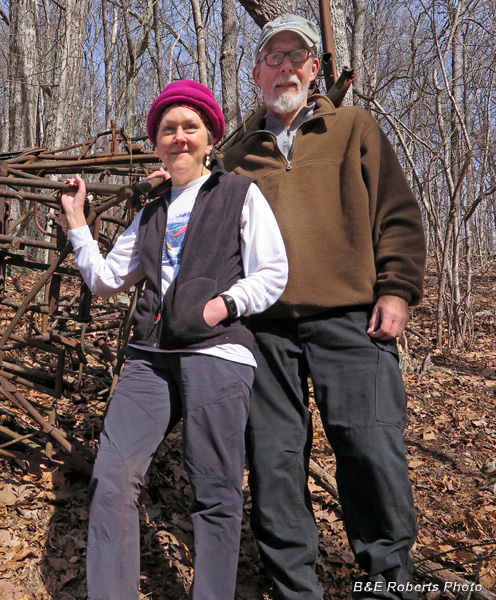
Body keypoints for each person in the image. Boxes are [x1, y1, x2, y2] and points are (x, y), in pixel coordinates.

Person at [221, 14, 426, 600]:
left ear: (315, 69)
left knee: (370, 450)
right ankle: (293, 590)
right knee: (274, 462)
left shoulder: (352, 128)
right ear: (258, 72)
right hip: (264, 330)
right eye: (273, 58)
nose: (285, 67)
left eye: (296, 57)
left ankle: (390, 584)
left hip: (351, 316)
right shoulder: (238, 155)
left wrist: (396, 289)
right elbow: (204, 225)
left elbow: (398, 214)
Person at [61, 80, 288, 600]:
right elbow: (104, 278)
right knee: (112, 479)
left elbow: (273, 271)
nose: (179, 138)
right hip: (151, 358)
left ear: (211, 138)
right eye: (168, 129)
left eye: (191, 128)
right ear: (157, 141)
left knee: (215, 492)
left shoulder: (239, 193)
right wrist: (77, 220)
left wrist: (225, 304)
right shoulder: (152, 209)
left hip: (218, 353)